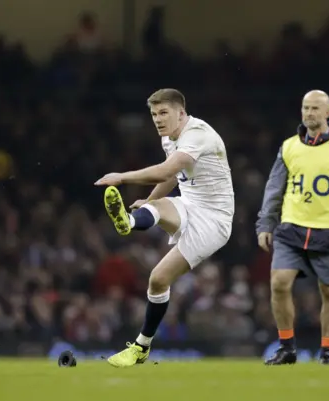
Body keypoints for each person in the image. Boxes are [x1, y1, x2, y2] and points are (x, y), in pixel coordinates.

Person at [95, 88, 234, 367]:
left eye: (164, 113)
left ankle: (141, 347)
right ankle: (129, 222)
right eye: (154, 114)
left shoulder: (198, 135)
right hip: (189, 204)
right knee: (157, 216)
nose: (158, 119)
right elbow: (172, 178)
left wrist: (121, 177)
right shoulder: (169, 138)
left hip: (214, 221)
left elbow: (165, 171)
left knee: (159, 277)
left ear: (181, 113)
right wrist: (148, 200)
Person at [256, 90, 329, 365]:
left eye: (315, 108)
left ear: (328, 113)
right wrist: (266, 223)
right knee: (279, 284)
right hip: (291, 229)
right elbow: (274, 189)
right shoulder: (288, 147)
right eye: (306, 108)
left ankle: (327, 352)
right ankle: (287, 349)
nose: (309, 113)